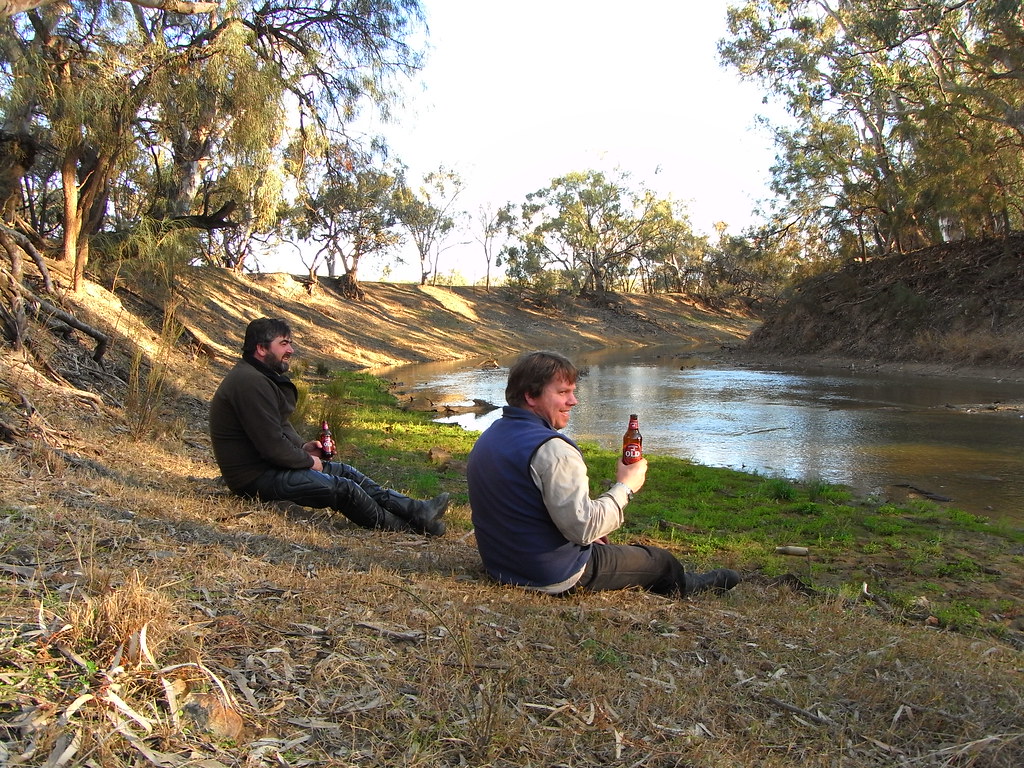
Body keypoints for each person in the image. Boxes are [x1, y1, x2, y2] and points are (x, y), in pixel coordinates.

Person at [467, 350, 739, 597]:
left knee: (616, 546)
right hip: (550, 574)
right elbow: (583, 528)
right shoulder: (553, 450)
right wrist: (626, 486)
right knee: (659, 561)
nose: (573, 401)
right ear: (530, 395)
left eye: (573, 391)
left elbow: (522, 503)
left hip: (502, 566)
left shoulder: (491, 435)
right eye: (563, 392)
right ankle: (691, 586)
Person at [210, 317, 448, 535]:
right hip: (254, 478)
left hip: (269, 468)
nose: (290, 350)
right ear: (261, 349)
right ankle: (403, 527)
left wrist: (303, 448)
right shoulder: (249, 382)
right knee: (343, 489)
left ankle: (419, 510)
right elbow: (271, 447)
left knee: (345, 471)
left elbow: (278, 426)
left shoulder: (258, 376)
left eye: (290, 344)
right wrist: (308, 461)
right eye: (284, 344)